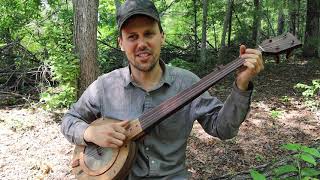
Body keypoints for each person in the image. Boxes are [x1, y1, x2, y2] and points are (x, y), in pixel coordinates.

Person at [61, 0, 264, 179]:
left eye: (149, 33)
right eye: (132, 37)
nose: (141, 43)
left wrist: (241, 85)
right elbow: (69, 120)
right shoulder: (104, 86)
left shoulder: (188, 83)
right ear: (121, 43)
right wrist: (90, 132)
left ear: (162, 37)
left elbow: (224, 129)